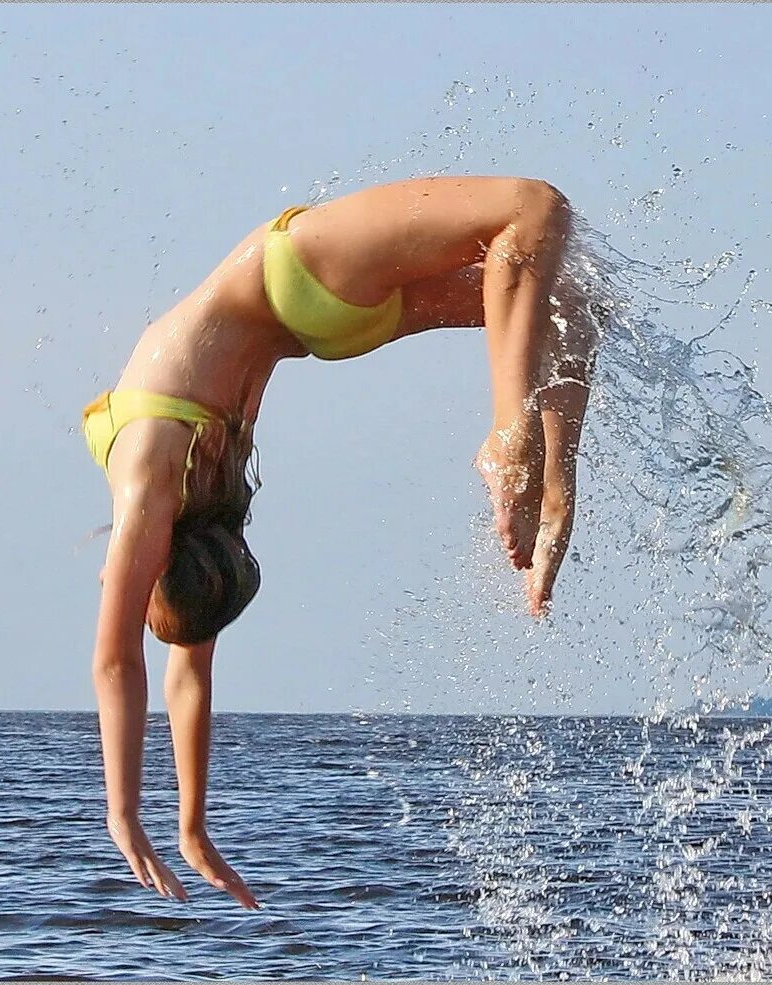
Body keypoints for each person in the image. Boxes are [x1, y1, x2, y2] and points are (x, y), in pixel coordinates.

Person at [83, 177, 599, 910]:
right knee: (534, 212)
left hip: (318, 324)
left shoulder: (183, 510)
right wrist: (155, 819)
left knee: (566, 298)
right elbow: (132, 664)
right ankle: (519, 446)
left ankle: (553, 484)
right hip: (292, 275)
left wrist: (164, 818)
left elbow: (163, 671)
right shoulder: (151, 483)